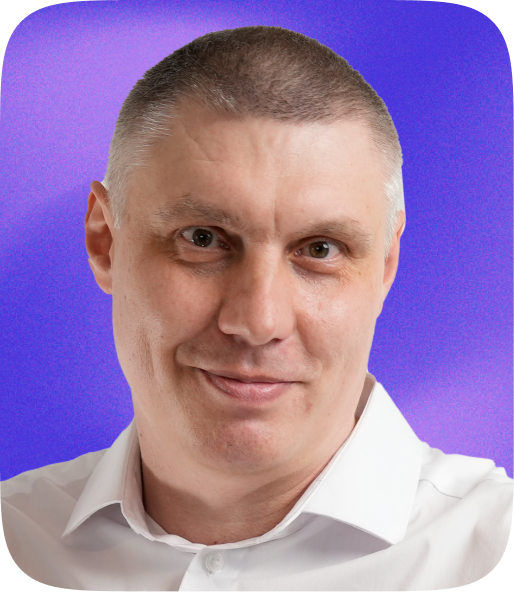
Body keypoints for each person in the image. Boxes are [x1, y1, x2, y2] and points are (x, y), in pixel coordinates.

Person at [1, 25, 512, 591]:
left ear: (386, 265)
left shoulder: (488, 544)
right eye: (202, 239)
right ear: (106, 243)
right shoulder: (19, 536)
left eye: (320, 250)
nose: (258, 322)